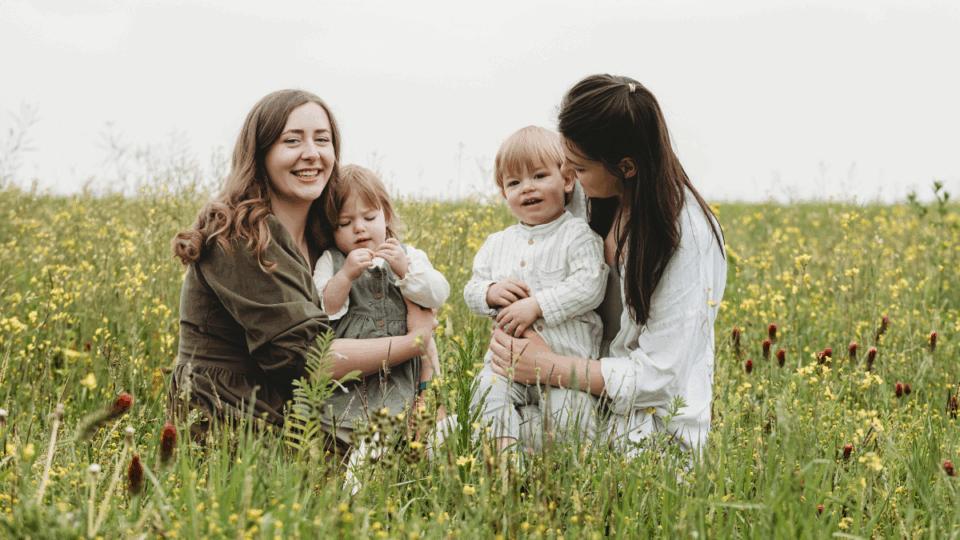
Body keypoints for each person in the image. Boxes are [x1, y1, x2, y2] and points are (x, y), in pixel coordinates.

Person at [168, 90, 436, 447]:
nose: (311, 153)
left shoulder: (330, 231)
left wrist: (428, 399)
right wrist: (415, 343)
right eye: (292, 140)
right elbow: (311, 358)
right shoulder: (239, 235)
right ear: (261, 154)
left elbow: (400, 302)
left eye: (322, 140)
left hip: (308, 409)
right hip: (230, 414)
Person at [487, 75, 727, 455]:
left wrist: (546, 365)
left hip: (645, 430)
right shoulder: (591, 193)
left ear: (626, 167)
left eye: (578, 169)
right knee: (452, 437)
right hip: (568, 394)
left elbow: (659, 377)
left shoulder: (686, 238)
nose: (568, 176)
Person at [465, 126, 608, 450]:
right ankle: (504, 463)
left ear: (567, 180)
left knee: (571, 420)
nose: (527, 188)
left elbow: (590, 284)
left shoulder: (578, 235)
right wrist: (488, 292)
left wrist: (537, 305)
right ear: (504, 194)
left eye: (539, 176)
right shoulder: (496, 243)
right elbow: (471, 288)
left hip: (562, 364)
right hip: (505, 364)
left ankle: (570, 480)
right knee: (485, 394)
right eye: (514, 183)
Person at [313, 164, 449, 446]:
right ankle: (360, 469)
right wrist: (346, 275)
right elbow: (325, 307)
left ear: (386, 215)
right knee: (355, 431)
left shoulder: (409, 256)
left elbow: (437, 294)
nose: (359, 228)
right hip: (355, 377)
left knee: (413, 431)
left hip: (399, 374)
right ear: (332, 230)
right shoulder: (332, 260)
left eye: (369, 216)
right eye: (344, 222)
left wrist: (405, 270)